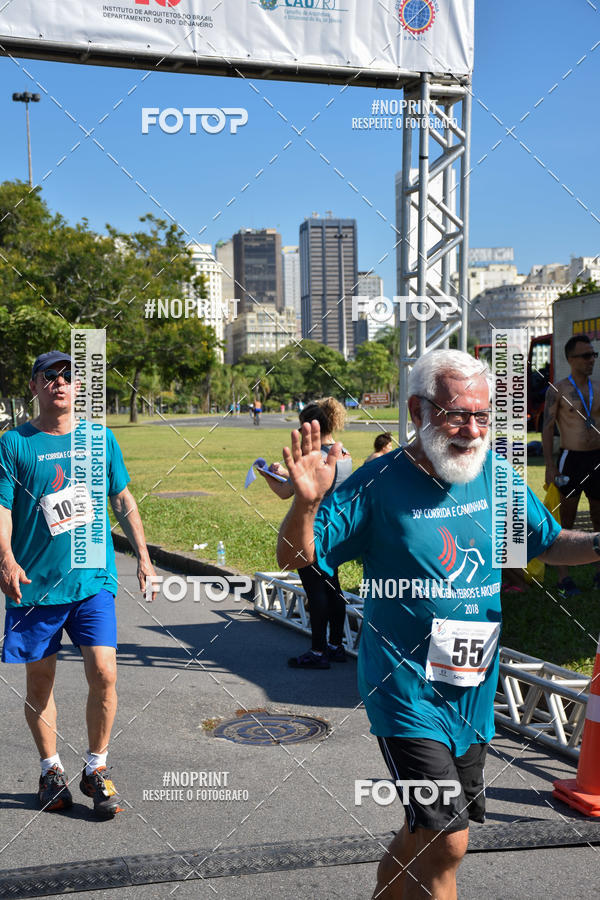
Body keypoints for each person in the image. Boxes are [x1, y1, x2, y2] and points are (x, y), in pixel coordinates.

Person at [276, 349, 595, 899]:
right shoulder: (378, 483)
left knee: (424, 832)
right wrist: (305, 505)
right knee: (448, 841)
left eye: (482, 416)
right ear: (418, 411)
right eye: (456, 415)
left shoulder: (495, 475)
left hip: (472, 693)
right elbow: (294, 557)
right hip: (405, 693)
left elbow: (547, 542)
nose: (472, 430)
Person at [0, 351, 158, 818]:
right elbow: (2, 508)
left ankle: (96, 767)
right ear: (35, 386)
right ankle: (51, 770)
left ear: (78, 386)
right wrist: (6, 558)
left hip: (92, 580)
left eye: (68, 375)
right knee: (40, 681)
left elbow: (122, 497)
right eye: (49, 376)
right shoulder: (14, 444)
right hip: (36, 586)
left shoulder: (99, 438)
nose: (60, 382)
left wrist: (144, 556)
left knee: (105, 673)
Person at [260, 397, 352, 669]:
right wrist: (286, 473)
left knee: (315, 591)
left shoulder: (315, 461)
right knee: (333, 588)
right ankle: (335, 645)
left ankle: (317, 651)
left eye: (302, 428)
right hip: (335, 530)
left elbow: (285, 492)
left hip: (310, 530)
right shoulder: (343, 453)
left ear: (309, 428)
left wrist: (267, 475)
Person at [543, 333, 600, 597]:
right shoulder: (557, 390)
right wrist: (549, 466)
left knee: (598, 516)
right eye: (586, 355)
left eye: (593, 355)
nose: (592, 360)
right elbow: (547, 429)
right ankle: (563, 578)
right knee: (566, 519)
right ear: (570, 359)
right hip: (571, 459)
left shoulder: (597, 388)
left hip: (596, 458)